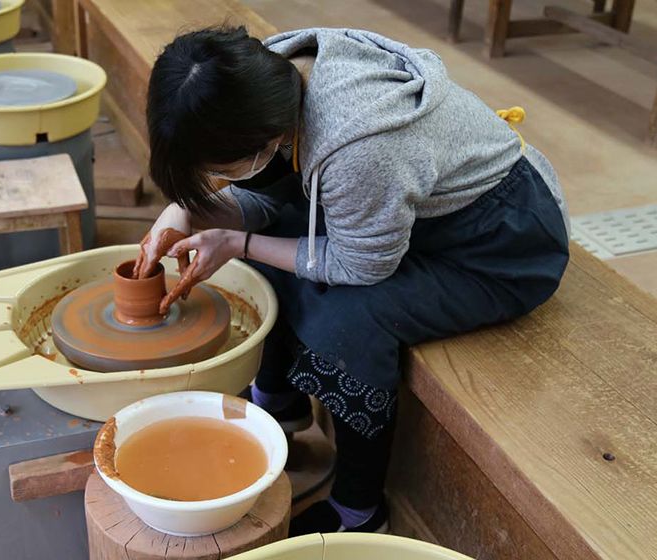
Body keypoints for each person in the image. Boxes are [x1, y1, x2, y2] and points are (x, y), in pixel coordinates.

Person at [134, 26, 570, 536]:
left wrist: (236, 243)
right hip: (400, 207)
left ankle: (360, 509)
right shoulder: (262, 79)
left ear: (260, 141)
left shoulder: (359, 147)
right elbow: (274, 189)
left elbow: (360, 266)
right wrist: (183, 212)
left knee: (343, 320)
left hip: (499, 244)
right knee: (273, 257)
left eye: (215, 171)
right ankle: (279, 408)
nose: (215, 182)